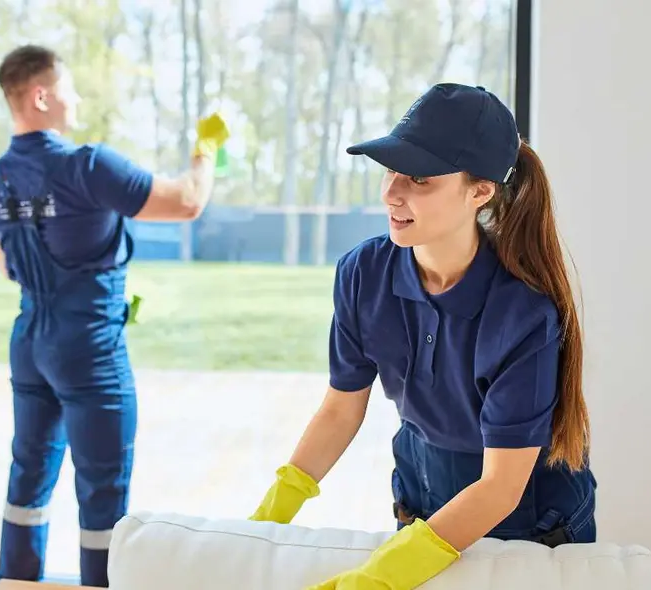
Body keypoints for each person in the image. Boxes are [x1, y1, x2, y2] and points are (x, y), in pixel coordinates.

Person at [249, 83, 597, 590]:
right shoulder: (363, 273)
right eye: (390, 170)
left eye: (418, 178)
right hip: (422, 508)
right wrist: (268, 518)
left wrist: (379, 578)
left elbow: (500, 488)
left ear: (480, 192)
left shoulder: (522, 314)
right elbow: (341, 409)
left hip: (528, 527)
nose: (391, 193)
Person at [0, 45, 229, 587]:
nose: (76, 99)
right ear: (41, 96)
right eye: (67, 88)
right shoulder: (87, 167)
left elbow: (9, 268)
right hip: (88, 350)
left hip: (31, 344)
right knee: (102, 493)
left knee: (28, 479)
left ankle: (14, 582)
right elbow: (187, 201)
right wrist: (206, 149)